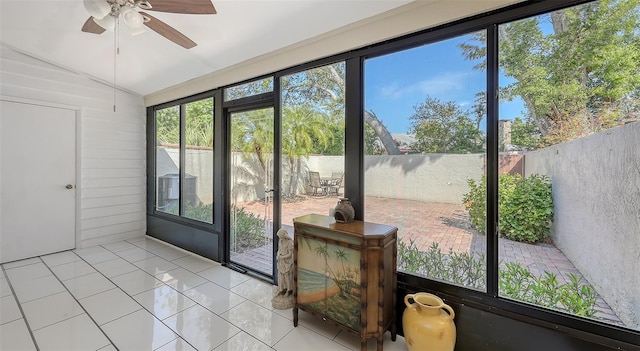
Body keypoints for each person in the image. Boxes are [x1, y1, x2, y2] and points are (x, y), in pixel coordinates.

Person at [276, 228, 294, 296]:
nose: (280, 238)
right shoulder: (280, 241)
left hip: (287, 261)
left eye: (281, 236)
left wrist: (282, 257)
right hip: (281, 261)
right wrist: (278, 255)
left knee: (287, 276)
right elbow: (279, 249)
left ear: (284, 235)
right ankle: (281, 289)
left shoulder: (290, 243)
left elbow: (290, 254)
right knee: (280, 276)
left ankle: (288, 290)